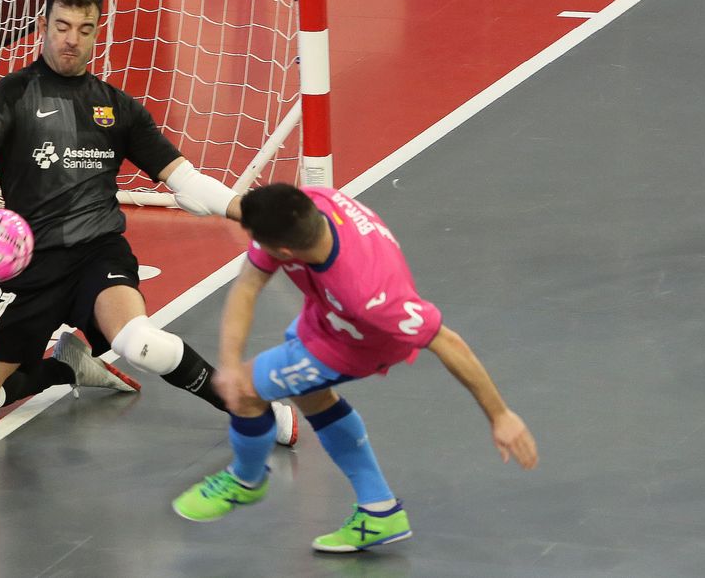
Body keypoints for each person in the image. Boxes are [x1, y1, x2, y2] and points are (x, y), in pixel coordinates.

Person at [0, 0, 296, 444]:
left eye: (84, 28)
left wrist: (251, 212)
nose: (71, 39)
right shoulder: (10, 96)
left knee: (139, 342)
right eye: (61, 26)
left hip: (98, 254)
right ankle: (65, 366)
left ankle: (251, 411)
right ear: (43, 26)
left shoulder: (118, 109)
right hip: (30, 266)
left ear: (98, 32)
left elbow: (187, 183)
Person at [171, 182, 538, 552]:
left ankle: (245, 481)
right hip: (326, 312)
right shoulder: (312, 202)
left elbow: (448, 342)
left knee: (247, 390)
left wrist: (501, 415)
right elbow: (248, 286)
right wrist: (228, 362)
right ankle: (379, 512)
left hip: (359, 342)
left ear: (284, 251)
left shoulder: (371, 295)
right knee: (307, 391)